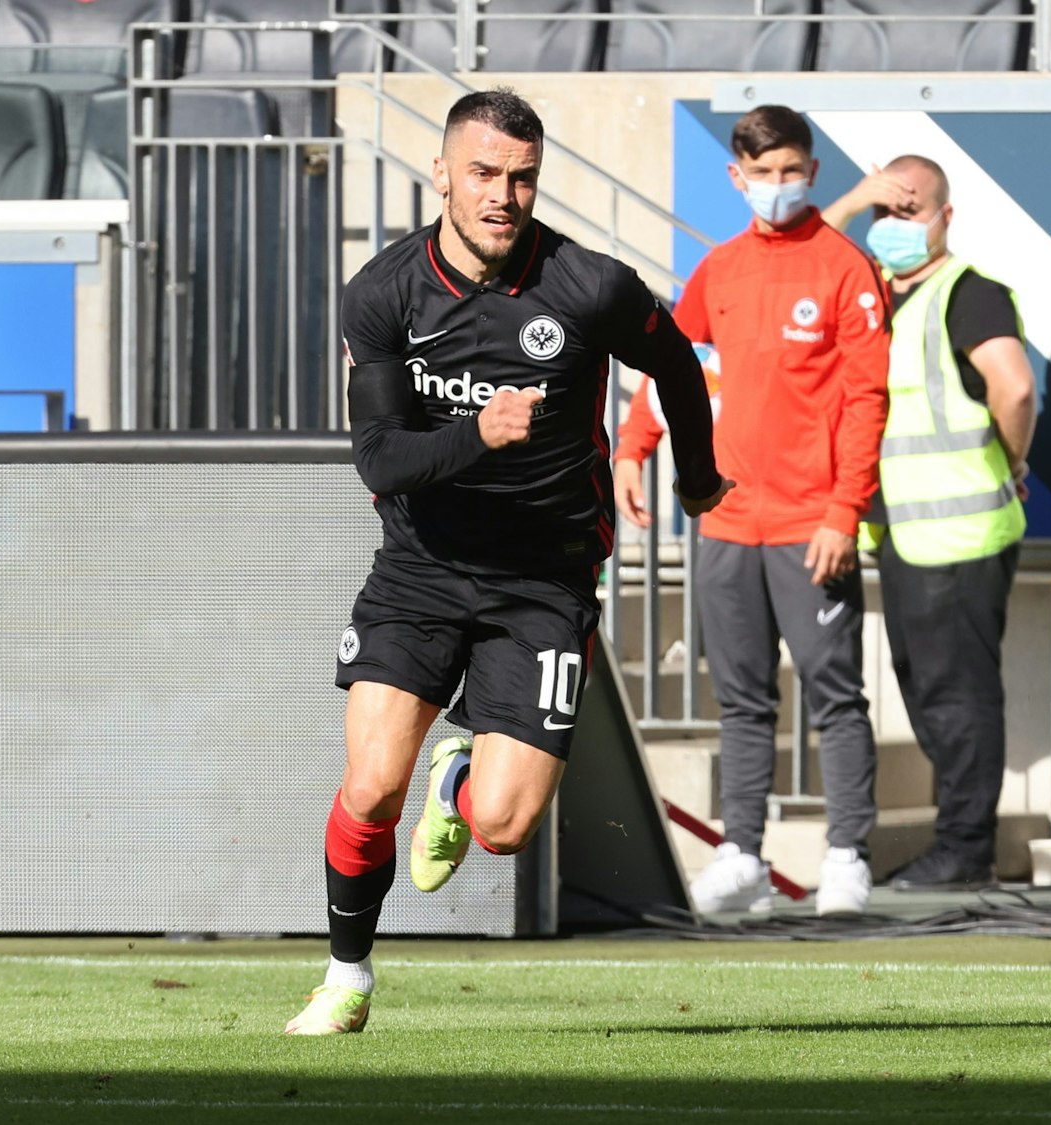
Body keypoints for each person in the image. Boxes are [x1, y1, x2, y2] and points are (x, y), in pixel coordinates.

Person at [285, 89, 729, 1036]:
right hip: (421, 566)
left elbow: (679, 364)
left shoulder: (589, 287)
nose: (502, 195)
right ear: (442, 175)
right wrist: (478, 434)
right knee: (371, 785)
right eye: (483, 173)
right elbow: (380, 459)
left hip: (545, 579)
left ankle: (459, 780)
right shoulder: (383, 293)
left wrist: (697, 479)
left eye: (521, 177)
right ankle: (346, 976)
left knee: (504, 826)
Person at [613, 105, 891, 917]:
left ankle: (847, 855)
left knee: (835, 694)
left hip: (812, 523)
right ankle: (743, 855)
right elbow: (672, 364)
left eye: (791, 170)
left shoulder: (845, 268)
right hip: (728, 520)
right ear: (737, 177)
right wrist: (631, 447)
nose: (779, 184)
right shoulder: (721, 269)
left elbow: (868, 399)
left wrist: (844, 511)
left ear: (813, 172)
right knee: (740, 699)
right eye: (763, 173)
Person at [821, 157, 1035, 890]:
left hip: (959, 534)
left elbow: (1015, 388)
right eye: (885, 212)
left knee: (957, 695)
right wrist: (855, 198)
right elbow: (804, 262)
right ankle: (959, 843)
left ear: (947, 217)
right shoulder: (877, 293)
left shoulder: (968, 294)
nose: (894, 225)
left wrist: (1011, 460)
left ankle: (965, 850)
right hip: (906, 535)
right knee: (926, 689)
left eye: (909, 211)